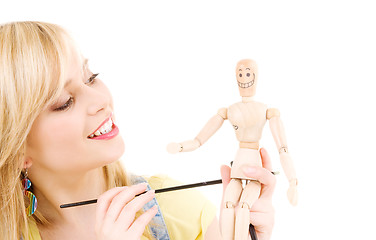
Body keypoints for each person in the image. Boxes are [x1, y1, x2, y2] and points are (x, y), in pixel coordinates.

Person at [0, 21, 276, 240]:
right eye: (65, 102)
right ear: (17, 148)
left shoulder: (175, 208)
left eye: (91, 78)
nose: (100, 101)